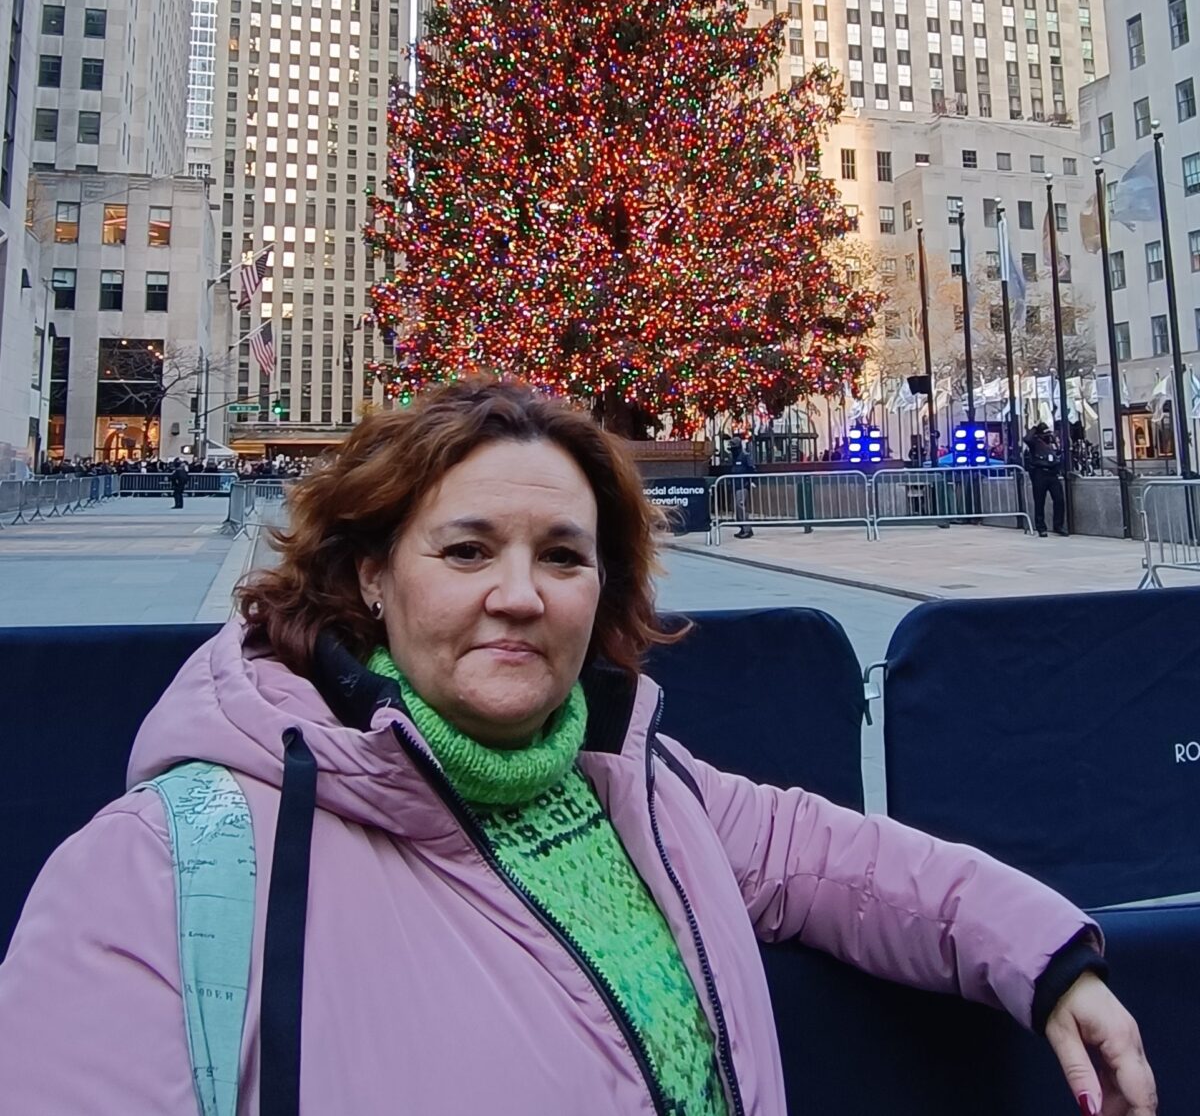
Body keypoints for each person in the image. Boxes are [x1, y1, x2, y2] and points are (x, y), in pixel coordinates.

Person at [0, 378, 1155, 1116]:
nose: (519, 593)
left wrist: (1050, 958)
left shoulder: (646, 790)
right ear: (370, 574)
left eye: (562, 553)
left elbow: (845, 862)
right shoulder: (166, 865)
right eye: (464, 550)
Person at [1025, 422, 1067, 537]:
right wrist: (1034, 428)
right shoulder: (1035, 443)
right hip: (1040, 473)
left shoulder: (1052, 442)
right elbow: (1027, 439)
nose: (1047, 435)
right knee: (1039, 502)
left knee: (1059, 499)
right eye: (1045, 432)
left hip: (1052, 473)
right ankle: (1041, 527)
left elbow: (1058, 454)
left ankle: (1058, 525)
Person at [728, 431, 755, 538]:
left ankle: (747, 529)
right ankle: (742, 527)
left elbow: (752, 469)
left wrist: (750, 482)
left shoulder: (745, 456)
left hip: (743, 485)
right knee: (738, 507)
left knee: (741, 506)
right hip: (736, 485)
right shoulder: (734, 458)